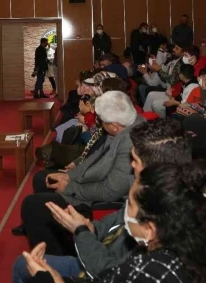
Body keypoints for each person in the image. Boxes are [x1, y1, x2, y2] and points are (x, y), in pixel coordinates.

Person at [11, 118, 191, 283]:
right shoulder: (150, 190)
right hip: (101, 246)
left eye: (135, 160)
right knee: (25, 256)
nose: (131, 165)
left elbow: (110, 272)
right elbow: (117, 218)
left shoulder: (163, 234)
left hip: (102, 265)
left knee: (26, 264)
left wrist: (81, 233)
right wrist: (91, 228)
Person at [21, 161, 206, 283]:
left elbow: (107, 273)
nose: (125, 210)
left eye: (130, 205)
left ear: (149, 229)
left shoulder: (153, 271)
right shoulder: (194, 243)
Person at [15, 91, 143, 256]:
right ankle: (47, 229)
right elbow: (96, 157)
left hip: (100, 197)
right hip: (96, 180)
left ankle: (54, 257)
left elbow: (111, 190)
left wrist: (70, 188)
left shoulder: (131, 142)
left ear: (114, 126)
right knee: (42, 179)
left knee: (32, 205)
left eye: (102, 121)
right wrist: (69, 176)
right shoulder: (125, 124)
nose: (99, 124)